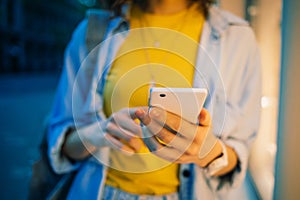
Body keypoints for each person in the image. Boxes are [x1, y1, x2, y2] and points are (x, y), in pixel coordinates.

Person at [47, 0, 261, 199]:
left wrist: (207, 151)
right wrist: (100, 132)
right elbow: (61, 144)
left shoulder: (237, 38)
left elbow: (239, 153)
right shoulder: (93, 31)